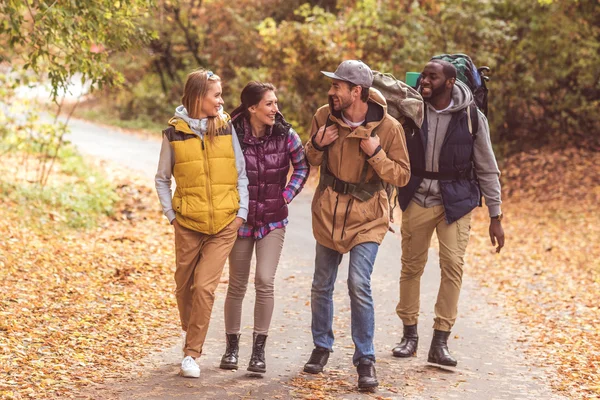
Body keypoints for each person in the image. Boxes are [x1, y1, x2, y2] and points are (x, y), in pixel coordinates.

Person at [303, 60, 411, 389]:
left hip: (368, 216)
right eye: (332, 85)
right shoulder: (323, 115)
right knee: (322, 284)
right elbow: (309, 159)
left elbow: (402, 176)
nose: (331, 91)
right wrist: (317, 145)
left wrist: (377, 153)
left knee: (357, 283)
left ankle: (365, 358)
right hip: (329, 211)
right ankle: (322, 346)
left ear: (356, 91)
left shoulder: (389, 127)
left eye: (337, 86)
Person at [392, 60, 505, 367]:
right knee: (411, 266)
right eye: (424, 75)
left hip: (457, 200)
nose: (424, 80)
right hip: (417, 196)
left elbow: (487, 166)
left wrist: (496, 216)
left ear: (450, 82)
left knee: (452, 265)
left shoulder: (471, 116)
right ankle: (409, 335)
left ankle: (440, 341)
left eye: (432, 76)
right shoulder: (412, 108)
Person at [155, 69, 249, 378]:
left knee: (205, 288)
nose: (222, 100)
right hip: (188, 222)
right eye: (217, 95)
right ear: (199, 98)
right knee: (185, 287)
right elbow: (162, 179)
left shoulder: (226, 127)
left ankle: (191, 354)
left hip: (224, 223)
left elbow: (240, 173)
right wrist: (172, 216)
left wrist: (241, 214)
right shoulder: (173, 133)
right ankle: (192, 328)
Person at [219, 82, 309, 373]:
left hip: (272, 220)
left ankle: (258, 352)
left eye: (275, 102)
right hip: (242, 219)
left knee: (265, 281)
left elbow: (303, 166)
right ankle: (232, 348)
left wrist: (286, 195)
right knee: (237, 283)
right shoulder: (231, 134)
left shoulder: (285, 134)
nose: (275, 109)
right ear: (252, 108)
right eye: (269, 104)